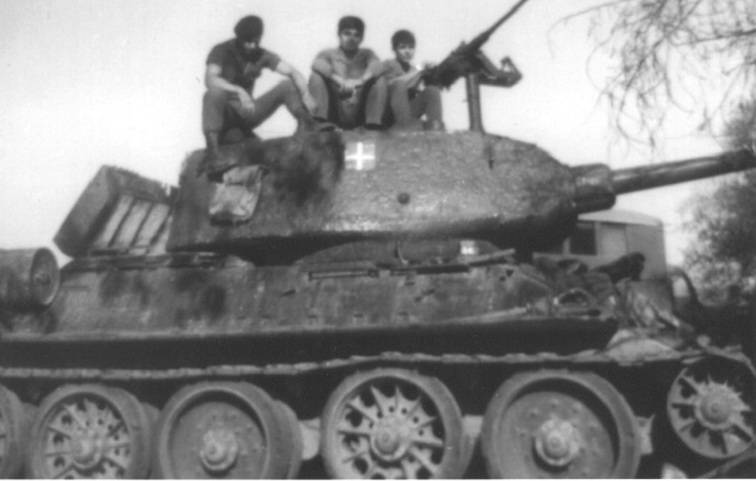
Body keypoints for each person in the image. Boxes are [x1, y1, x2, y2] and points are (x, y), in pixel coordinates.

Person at [202, 15, 316, 161]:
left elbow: (292, 72)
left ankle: (305, 128)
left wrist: (306, 94)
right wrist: (239, 90)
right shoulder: (221, 50)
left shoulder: (261, 54)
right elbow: (210, 79)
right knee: (213, 94)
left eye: (256, 41)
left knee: (287, 85)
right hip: (226, 118)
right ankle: (213, 153)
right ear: (238, 38)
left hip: (247, 111)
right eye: (247, 42)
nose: (252, 46)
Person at [309, 16, 387, 129]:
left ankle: (373, 124)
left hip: (359, 109)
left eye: (356, 35)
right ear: (339, 34)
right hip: (336, 109)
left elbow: (377, 65)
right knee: (316, 77)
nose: (351, 38)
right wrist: (340, 80)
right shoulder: (328, 53)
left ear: (361, 38)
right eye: (347, 33)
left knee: (380, 80)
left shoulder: (367, 54)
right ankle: (320, 121)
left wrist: (360, 81)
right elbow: (317, 64)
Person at [381, 29, 444, 130]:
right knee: (399, 85)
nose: (407, 52)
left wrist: (431, 73)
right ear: (394, 49)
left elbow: (419, 91)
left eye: (411, 47)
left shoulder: (414, 69)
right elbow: (393, 84)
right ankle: (404, 126)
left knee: (432, 91)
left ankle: (435, 127)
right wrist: (419, 71)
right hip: (390, 114)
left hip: (408, 112)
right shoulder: (388, 64)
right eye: (402, 47)